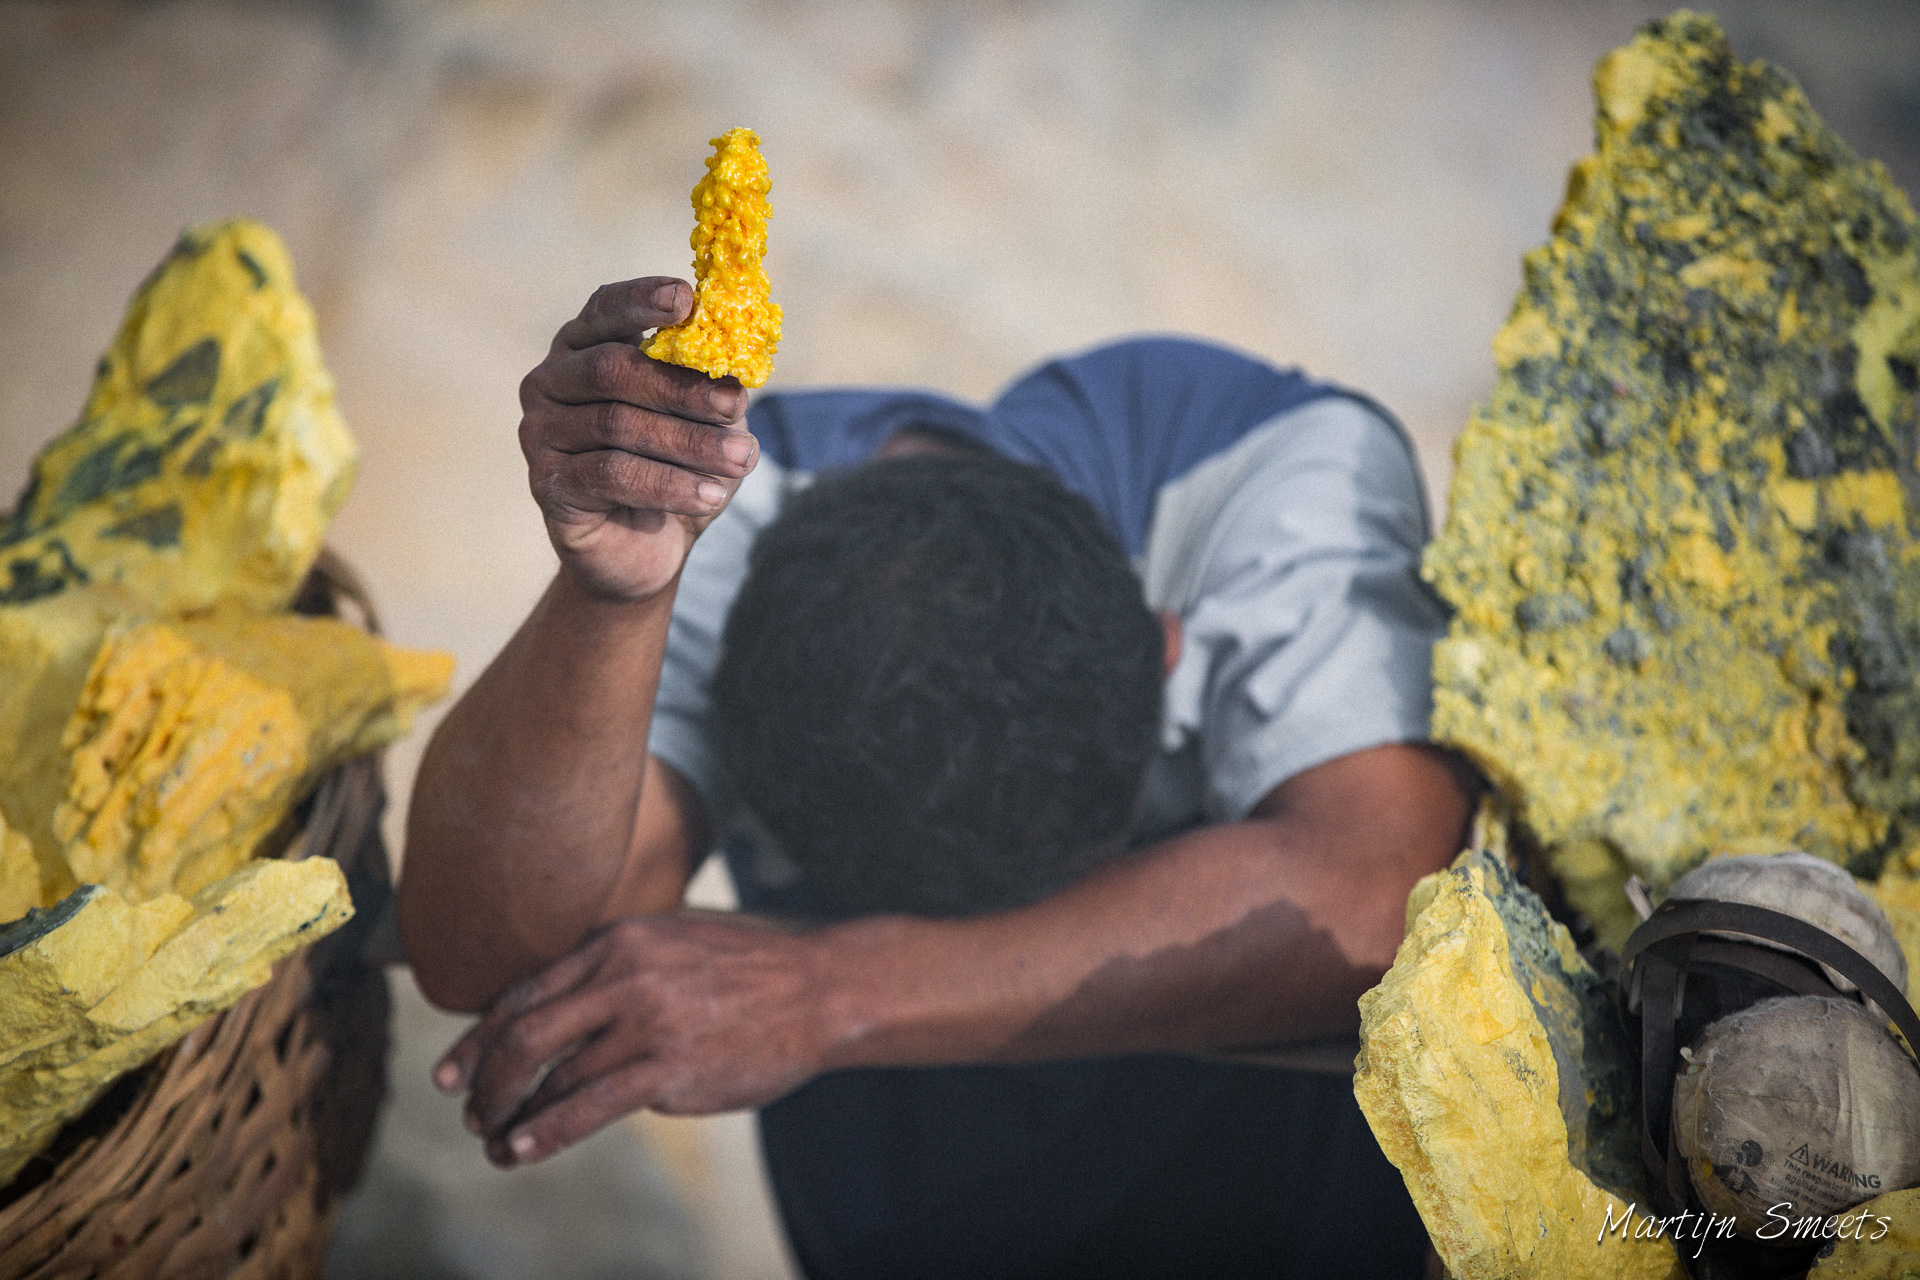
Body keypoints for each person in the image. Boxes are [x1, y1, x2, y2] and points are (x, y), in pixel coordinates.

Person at [399, 276, 1478, 1279]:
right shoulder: (705, 517)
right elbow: (499, 956)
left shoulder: (1273, 465)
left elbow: (1380, 895)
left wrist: (829, 989)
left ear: (1162, 639)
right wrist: (610, 601)